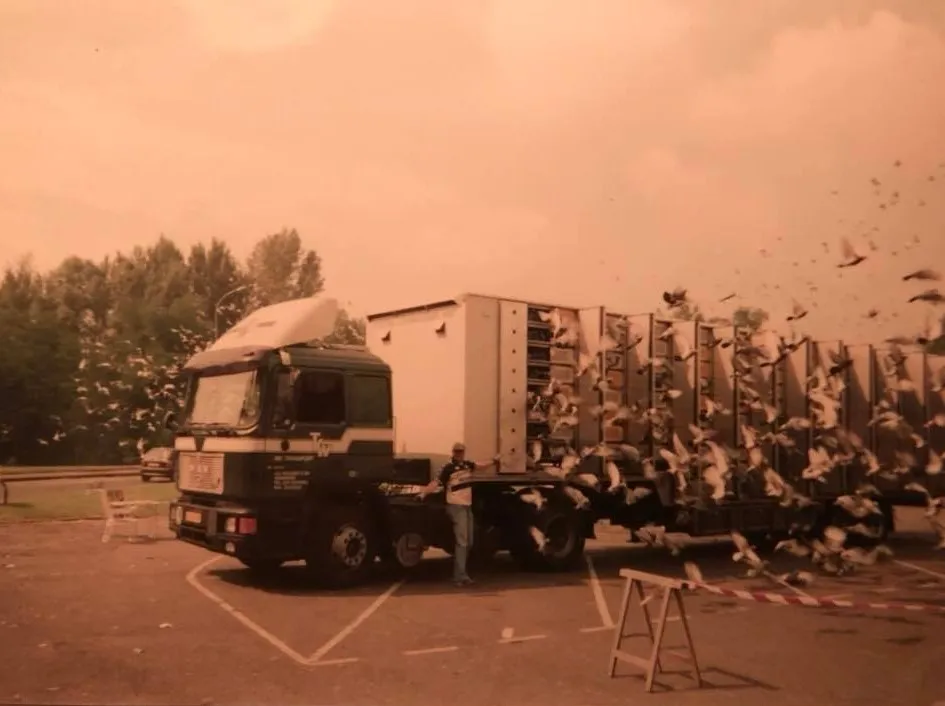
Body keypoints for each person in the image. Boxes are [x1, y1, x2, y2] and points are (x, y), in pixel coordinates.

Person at [419, 442, 499, 586]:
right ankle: (460, 576)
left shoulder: (467, 465)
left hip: (467, 506)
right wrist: (424, 493)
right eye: (456, 451)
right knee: (462, 542)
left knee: (469, 542)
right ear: (453, 452)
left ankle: (461, 573)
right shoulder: (448, 468)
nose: (459, 454)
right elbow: (436, 482)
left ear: (464, 452)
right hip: (455, 506)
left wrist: (494, 461)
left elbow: (480, 465)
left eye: (461, 451)